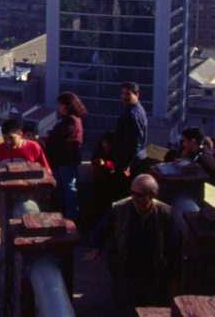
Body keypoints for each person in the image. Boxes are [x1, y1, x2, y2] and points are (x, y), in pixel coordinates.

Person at [89, 174, 178, 315]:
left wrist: (173, 277)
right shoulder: (118, 209)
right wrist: (96, 247)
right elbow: (101, 229)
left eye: (139, 195)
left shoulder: (166, 214)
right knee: (124, 307)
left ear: (152, 195)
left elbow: (174, 247)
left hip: (153, 272)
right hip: (126, 269)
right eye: (132, 193)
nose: (134, 198)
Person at [44, 91, 86, 221]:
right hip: (64, 161)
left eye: (60, 105)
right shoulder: (72, 120)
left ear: (67, 106)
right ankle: (68, 217)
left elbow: (61, 139)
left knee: (68, 190)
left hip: (65, 161)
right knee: (65, 190)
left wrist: (46, 139)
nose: (59, 108)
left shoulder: (71, 121)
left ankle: (71, 219)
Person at [0, 117, 52, 188]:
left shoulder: (33, 147)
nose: (8, 142)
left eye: (11, 138)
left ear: (20, 134)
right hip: (5, 194)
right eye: (5, 138)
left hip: (29, 194)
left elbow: (46, 170)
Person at [112, 82, 148, 193]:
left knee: (125, 192)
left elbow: (135, 141)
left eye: (128, 94)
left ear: (137, 94)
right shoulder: (138, 109)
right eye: (122, 94)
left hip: (129, 161)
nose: (124, 97)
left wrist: (127, 165)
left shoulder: (132, 114)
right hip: (136, 158)